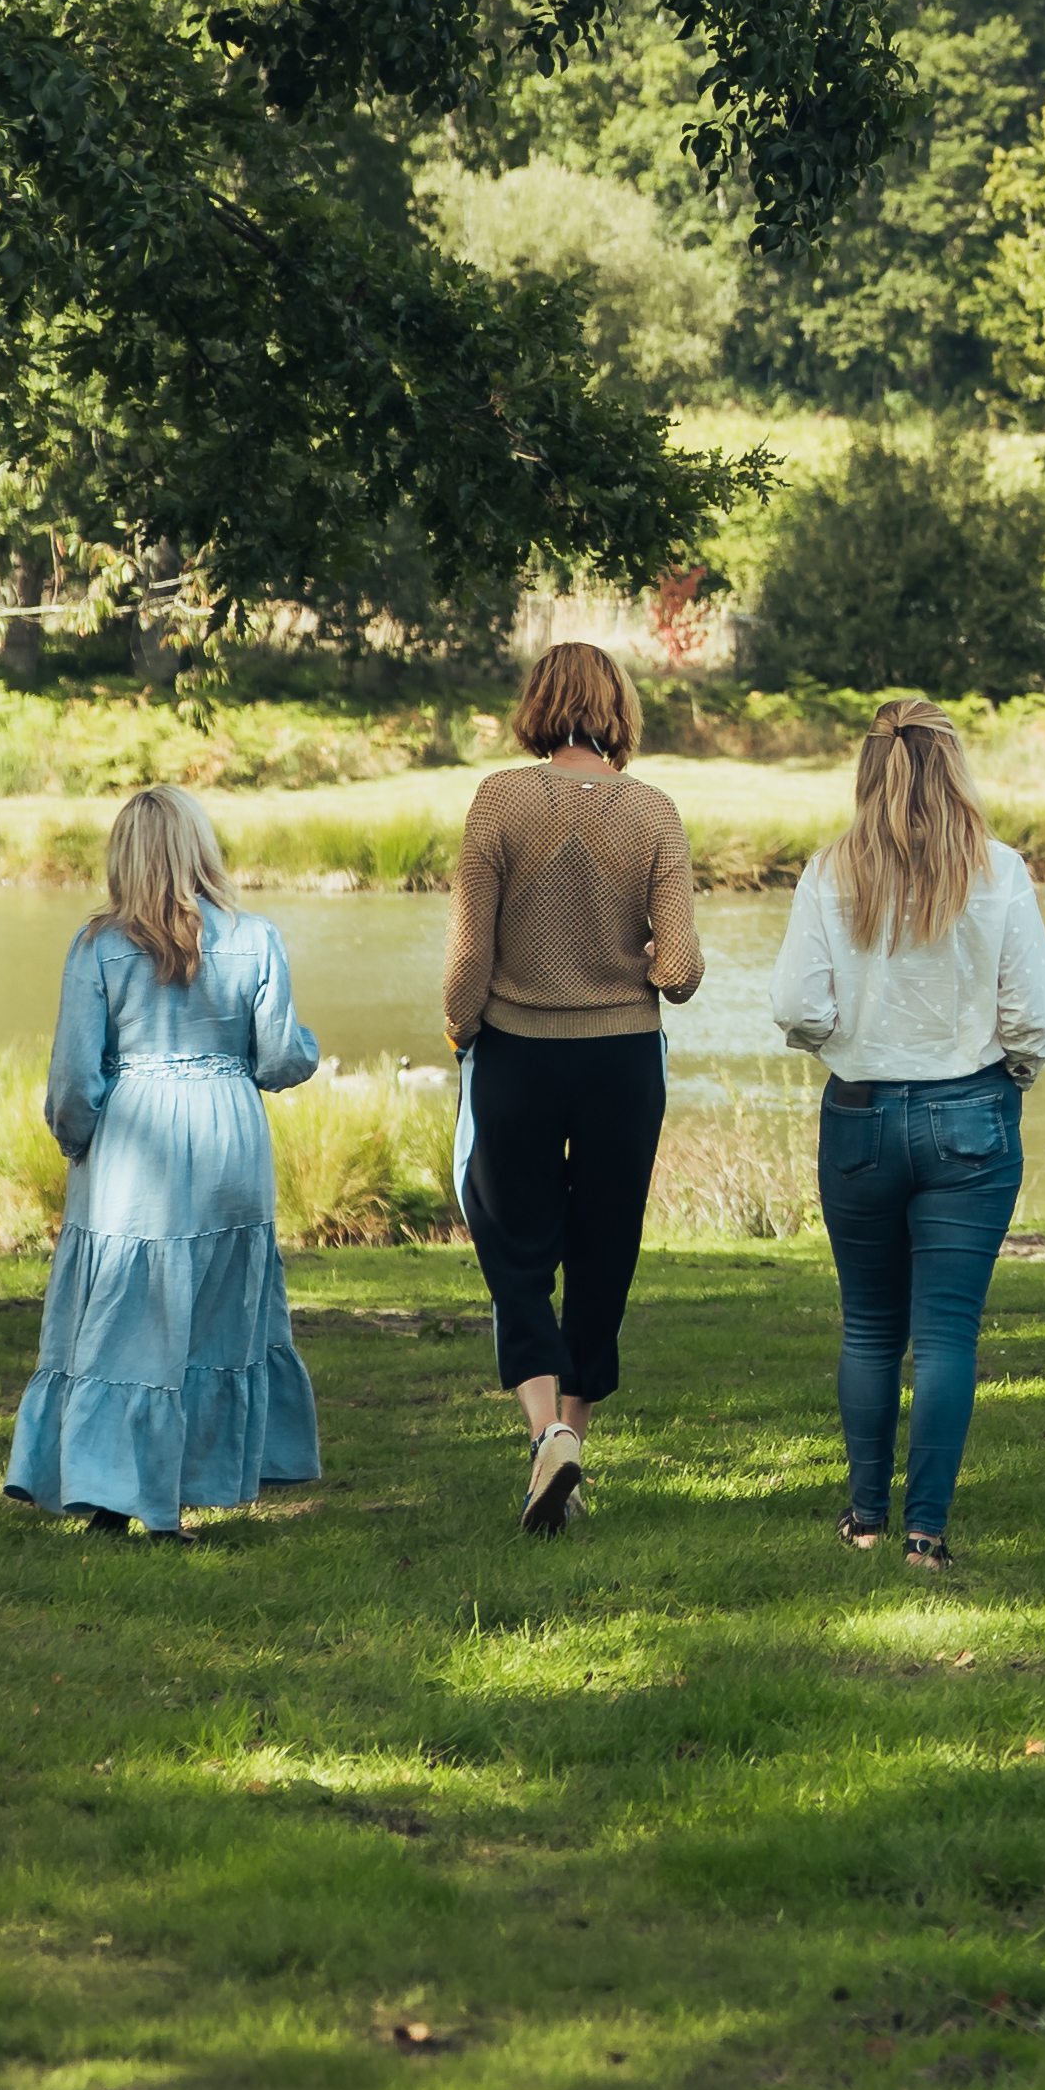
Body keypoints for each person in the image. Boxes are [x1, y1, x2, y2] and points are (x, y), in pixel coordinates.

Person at [772, 709, 1045, 1573]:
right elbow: (1034, 1014)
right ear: (954, 770)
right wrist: (1016, 1068)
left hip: (860, 1113)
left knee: (869, 1327)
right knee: (945, 1334)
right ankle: (925, 1535)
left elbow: (796, 1005)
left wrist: (842, 1044)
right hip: (970, 1114)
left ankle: (864, 1517)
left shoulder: (831, 872)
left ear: (870, 773)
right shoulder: (997, 869)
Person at [5, 786, 328, 1541]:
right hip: (229, 1139)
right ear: (199, 850)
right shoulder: (255, 937)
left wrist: (76, 1139)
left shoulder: (99, 947)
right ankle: (181, 1491)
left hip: (136, 1142)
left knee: (125, 1313)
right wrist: (297, 1053)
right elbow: (280, 1057)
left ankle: (115, 1496)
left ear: (123, 858)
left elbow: (74, 1081)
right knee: (216, 1312)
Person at [441, 638, 699, 1534]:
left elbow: (471, 954)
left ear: (539, 706)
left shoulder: (499, 801)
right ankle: (570, 1457)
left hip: (517, 1055)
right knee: (603, 1251)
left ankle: (547, 1431)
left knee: (514, 1245)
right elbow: (685, 971)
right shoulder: (655, 813)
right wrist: (643, 957)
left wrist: (459, 1025)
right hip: (622, 1063)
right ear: (618, 709)